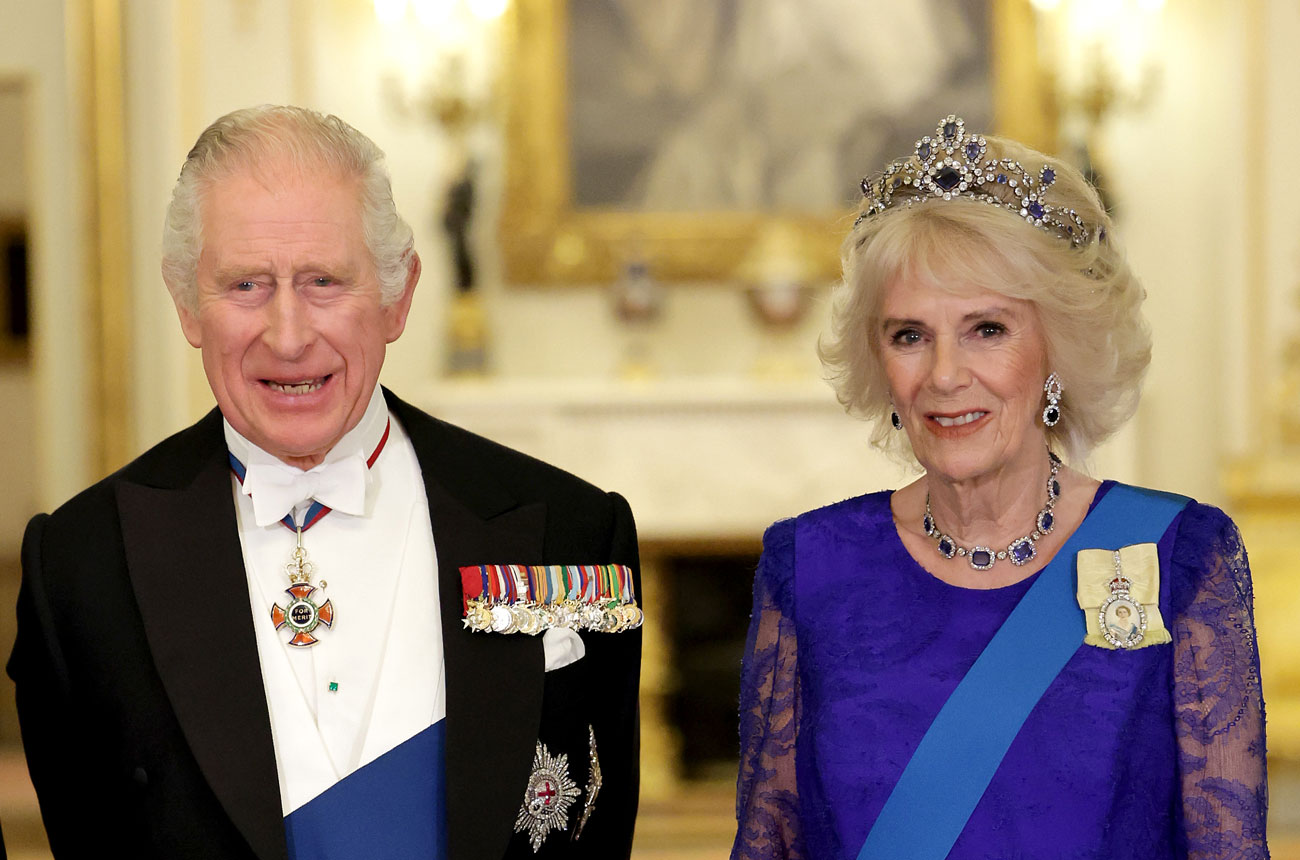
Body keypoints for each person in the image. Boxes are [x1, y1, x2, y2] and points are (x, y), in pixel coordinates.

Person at [9, 105, 642, 860]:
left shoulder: (569, 532)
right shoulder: (79, 569)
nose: (287, 334)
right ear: (186, 304)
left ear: (398, 296)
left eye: (323, 281)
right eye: (245, 284)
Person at [732, 115, 1268, 860]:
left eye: (987, 328)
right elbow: (768, 846)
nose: (945, 375)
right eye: (909, 335)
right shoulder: (809, 566)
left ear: (1058, 346)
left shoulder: (1179, 557)